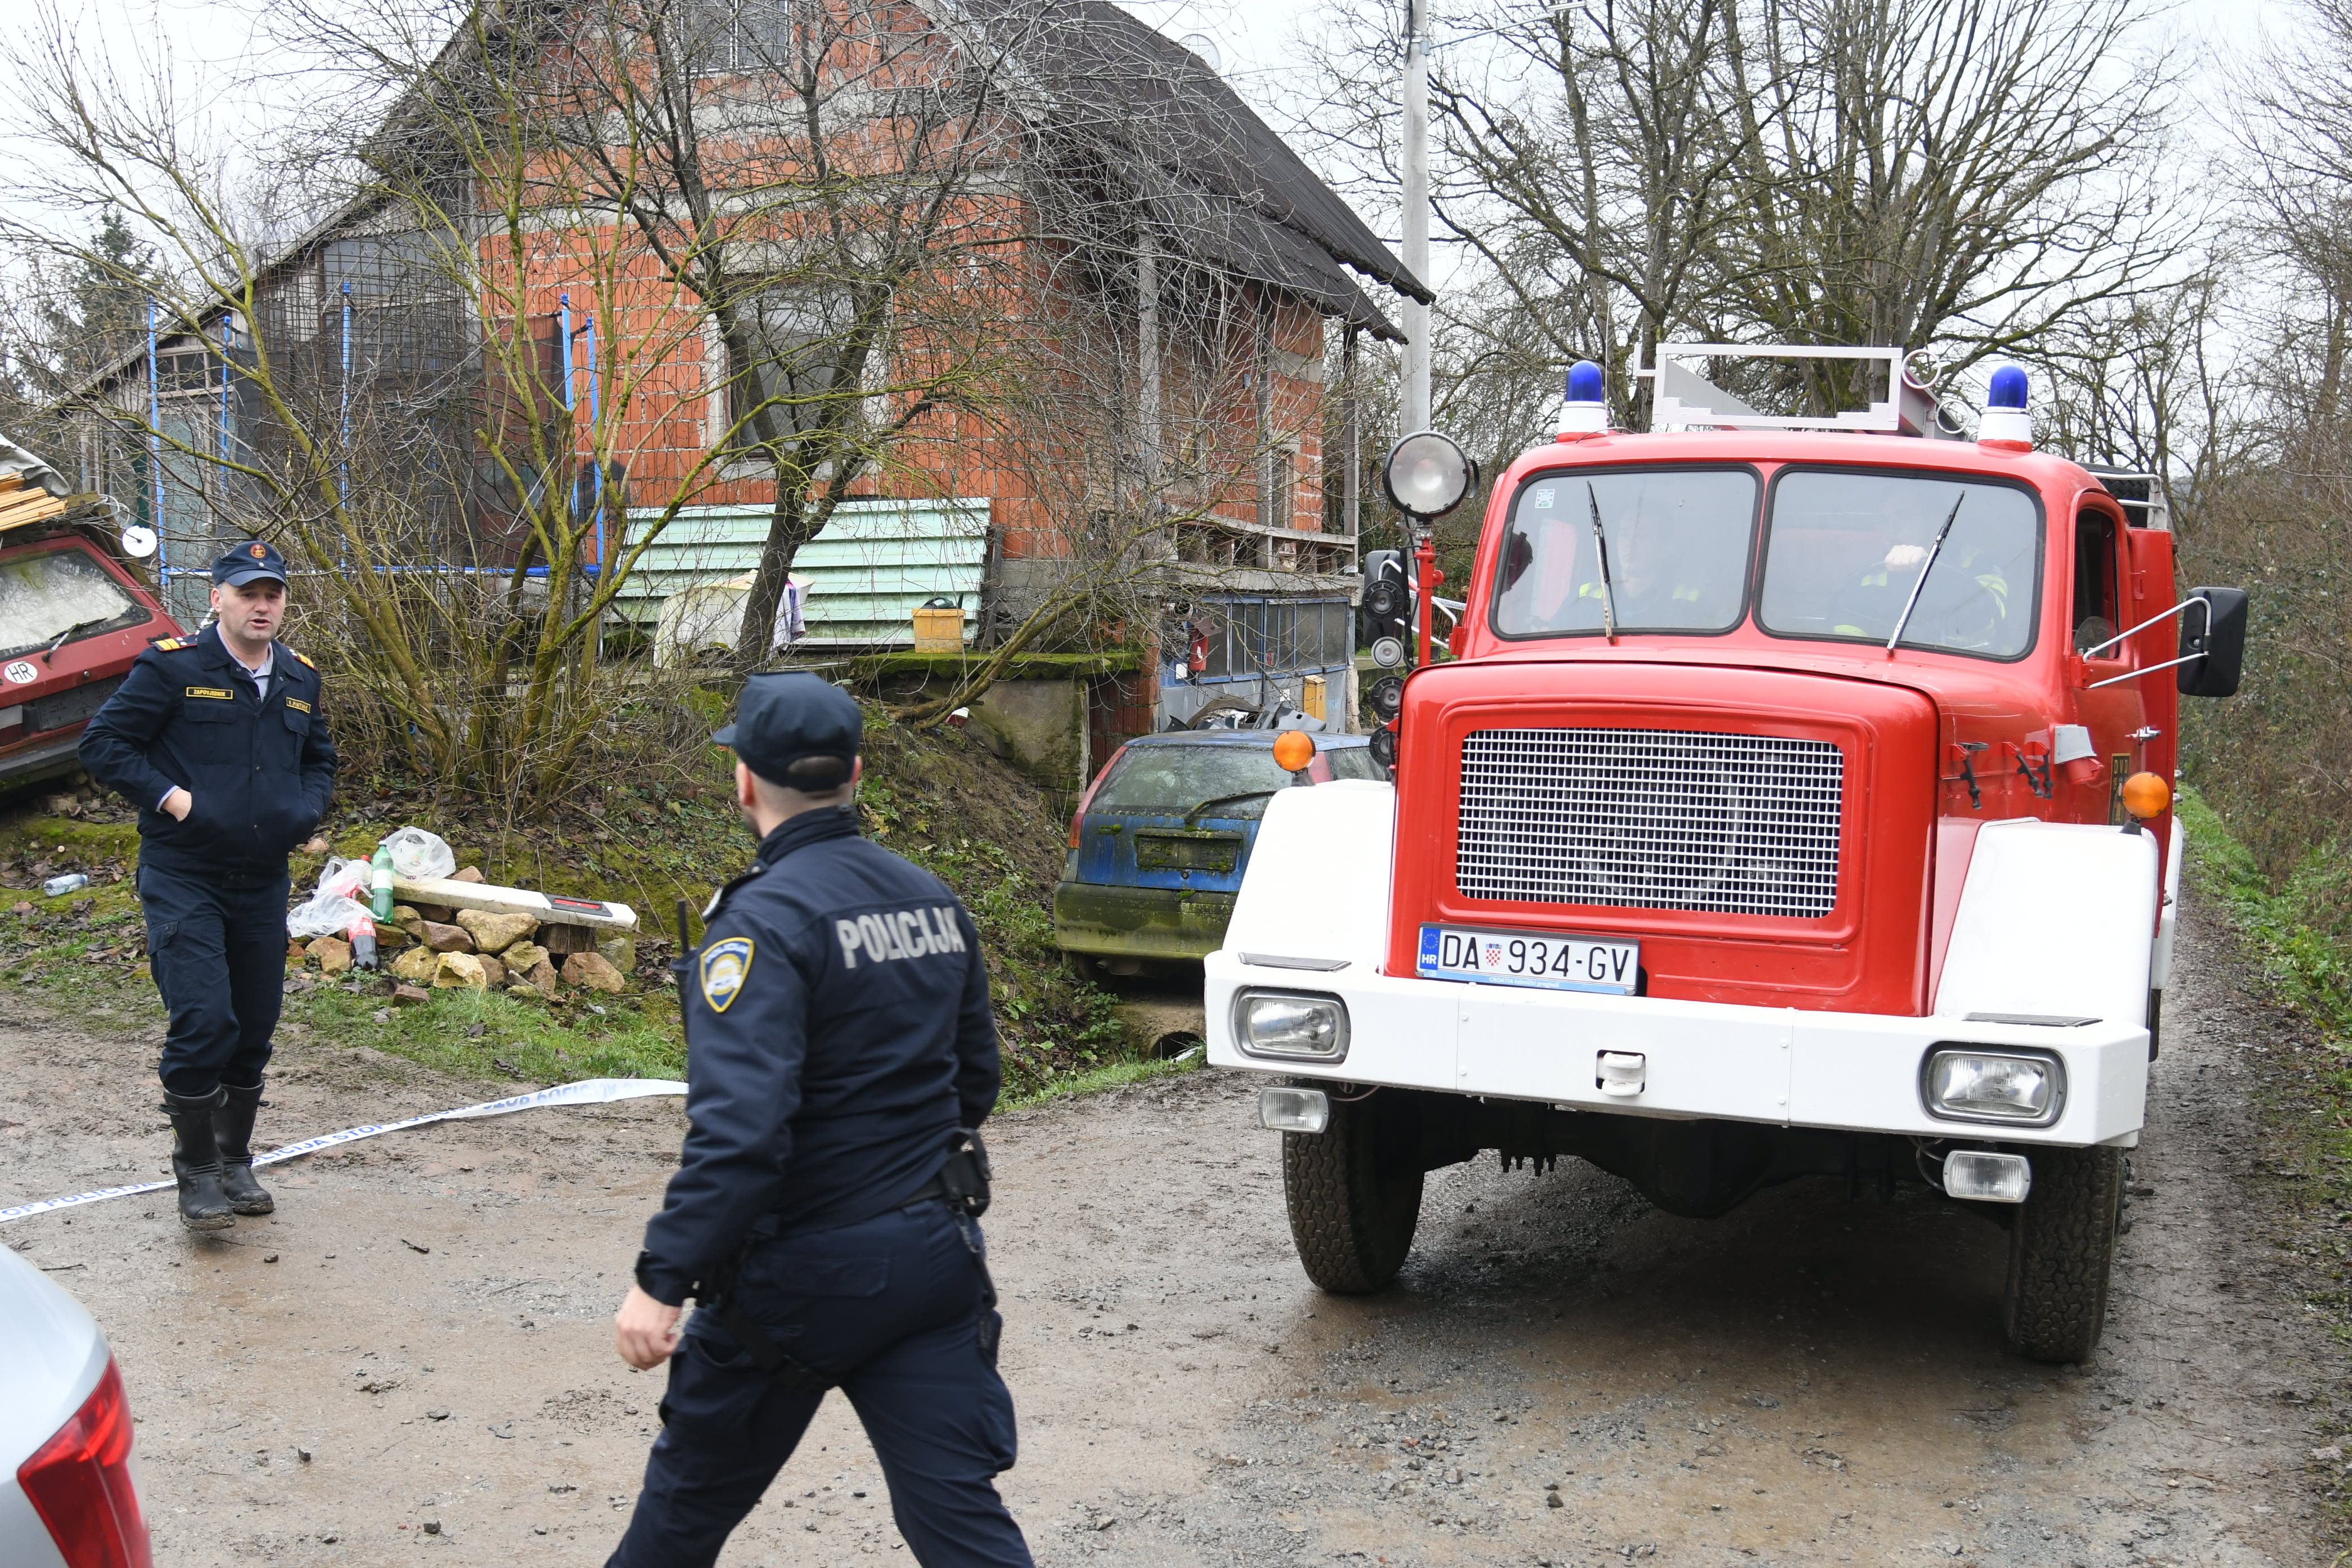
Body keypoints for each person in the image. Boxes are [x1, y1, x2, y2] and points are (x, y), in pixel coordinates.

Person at [606, 672, 1031, 1568]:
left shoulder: (758, 927)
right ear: (857, 773)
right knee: (960, 1526)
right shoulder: (931, 901)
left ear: (746, 782)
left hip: (793, 1282)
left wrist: (660, 1281)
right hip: (929, 1260)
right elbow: (976, 1085)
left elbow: (741, 1138)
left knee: (678, 1523)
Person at [78, 540, 336, 1230]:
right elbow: (104, 745)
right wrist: (173, 798)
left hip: (261, 880)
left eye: (272, 593)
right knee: (204, 1021)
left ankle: (234, 1159)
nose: (261, 605)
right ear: (217, 598)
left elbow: (320, 759)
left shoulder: (299, 678)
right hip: (183, 874)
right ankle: (195, 1170)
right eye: (248, 593)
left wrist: (306, 810)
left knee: (253, 1027)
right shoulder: (173, 669)